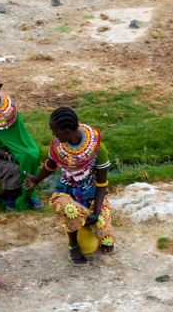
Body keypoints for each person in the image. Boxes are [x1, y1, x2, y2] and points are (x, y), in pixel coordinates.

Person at [21, 106, 114, 265]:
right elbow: (51, 165)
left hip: (91, 193)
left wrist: (96, 212)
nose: (53, 135)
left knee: (105, 233)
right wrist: (36, 179)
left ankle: (94, 224)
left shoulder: (97, 148)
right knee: (71, 210)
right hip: (66, 191)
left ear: (67, 131)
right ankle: (73, 244)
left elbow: (101, 183)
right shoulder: (58, 147)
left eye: (55, 131)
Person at [0, 69, 45, 211]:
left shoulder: (9, 107)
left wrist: (19, 152)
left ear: (0, 88)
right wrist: (7, 155)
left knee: (32, 155)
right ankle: (10, 196)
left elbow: (20, 133)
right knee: (15, 169)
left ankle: (29, 193)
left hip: (16, 148)